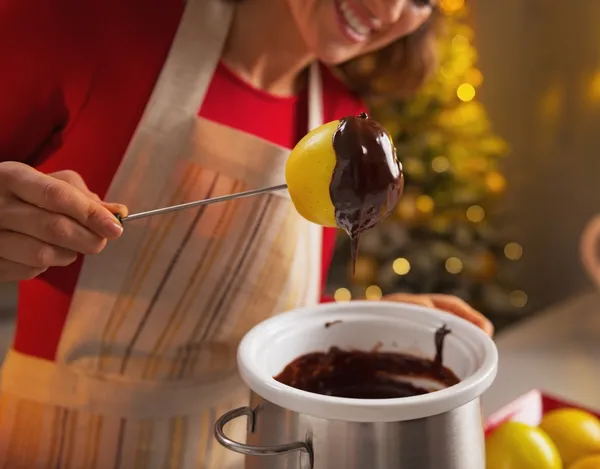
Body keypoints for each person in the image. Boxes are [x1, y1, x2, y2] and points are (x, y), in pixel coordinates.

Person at [0, 0, 493, 466]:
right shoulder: (87, 22)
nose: (387, 10)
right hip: (57, 448)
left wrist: (364, 325)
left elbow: (247, 317)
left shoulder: (342, 130)